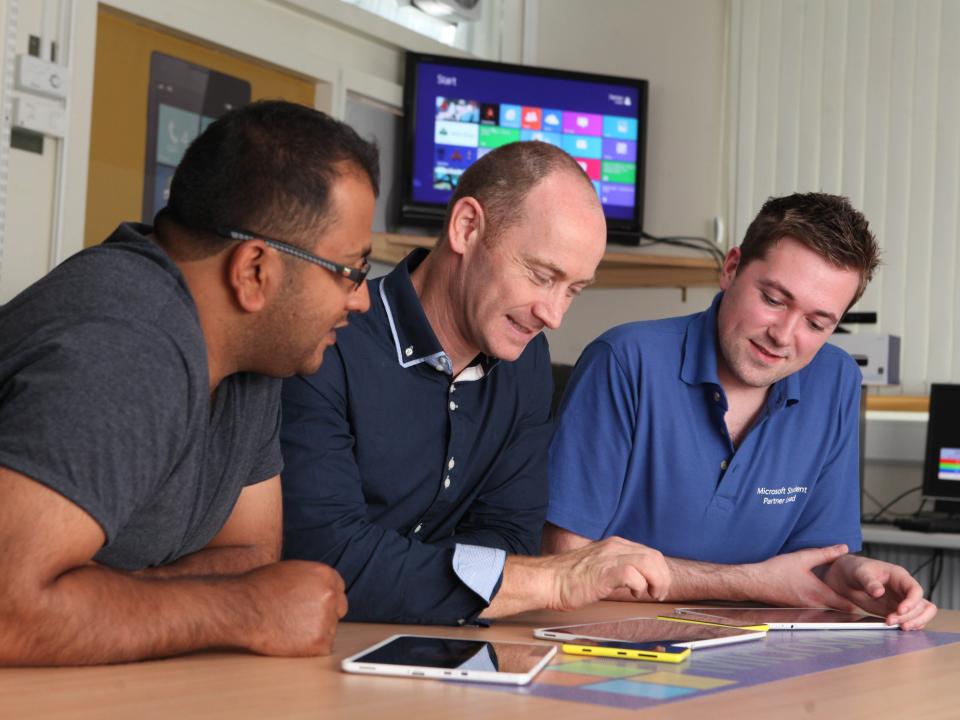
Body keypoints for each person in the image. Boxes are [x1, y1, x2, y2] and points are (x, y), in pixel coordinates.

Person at [0, 100, 378, 665]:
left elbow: (251, 553)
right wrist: (242, 611)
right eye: (351, 271)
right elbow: (9, 610)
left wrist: (95, 596)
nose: (363, 299)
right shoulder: (128, 345)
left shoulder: (254, 352)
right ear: (255, 271)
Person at [281, 141, 670, 625]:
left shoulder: (526, 359)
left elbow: (510, 537)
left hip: (445, 645)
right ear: (467, 227)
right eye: (541, 275)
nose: (553, 315)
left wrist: (405, 575)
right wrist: (554, 579)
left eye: (572, 289)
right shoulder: (327, 341)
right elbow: (327, 558)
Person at [544, 192, 937, 630]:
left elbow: (818, 559)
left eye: (816, 323)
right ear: (730, 269)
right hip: (610, 643)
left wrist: (857, 577)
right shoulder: (624, 360)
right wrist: (751, 582)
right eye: (773, 300)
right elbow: (567, 564)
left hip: (753, 649)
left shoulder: (836, 379)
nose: (783, 336)